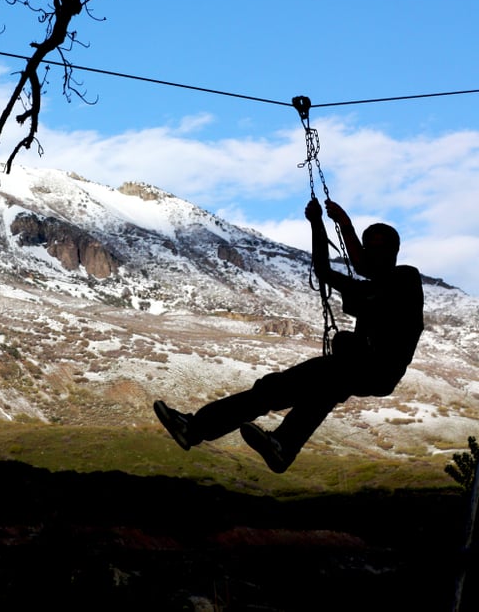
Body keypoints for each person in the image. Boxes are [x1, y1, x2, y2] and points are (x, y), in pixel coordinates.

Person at [153, 197, 424, 472]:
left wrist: (345, 225)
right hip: (351, 367)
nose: (373, 254)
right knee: (277, 389)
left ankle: (275, 443)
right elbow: (324, 271)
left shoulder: (406, 280)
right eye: (371, 247)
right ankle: (201, 429)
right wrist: (318, 225)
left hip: (376, 370)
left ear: (394, 252)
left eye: (380, 248)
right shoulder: (370, 287)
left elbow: (361, 265)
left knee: (324, 384)